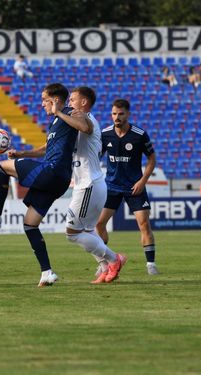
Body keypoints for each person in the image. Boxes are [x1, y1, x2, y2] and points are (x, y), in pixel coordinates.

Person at [0, 83, 78, 287]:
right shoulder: (57, 121)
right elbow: (47, 149)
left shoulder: (69, 113)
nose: (42, 105)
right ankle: (47, 272)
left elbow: (85, 126)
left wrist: (61, 111)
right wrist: (22, 154)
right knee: (30, 224)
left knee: (1, 168)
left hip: (52, 171)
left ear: (55, 100)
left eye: (44, 100)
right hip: (58, 180)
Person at [62, 87, 127, 284]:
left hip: (88, 185)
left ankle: (115, 259)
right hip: (91, 184)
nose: (69, 103)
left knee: (72, 234)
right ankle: (106, 267)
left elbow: (86, 128)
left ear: (84, 102)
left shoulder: (88, 119)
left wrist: (58, 112)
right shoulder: (78, 122)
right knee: (88, 230)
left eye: (72, 99)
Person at [96, 99, 159, 276]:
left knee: (144, 224)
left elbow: (152, 159)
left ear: (128, 114)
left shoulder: (139, 135)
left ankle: (151, 265)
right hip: (112, 186)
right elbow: (96, 157)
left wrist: (142, 181)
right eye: (114, 114)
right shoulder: (105, 134)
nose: (117, 117)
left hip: (134, 187)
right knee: (99, 224)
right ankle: (105, 263)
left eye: (121, 114)